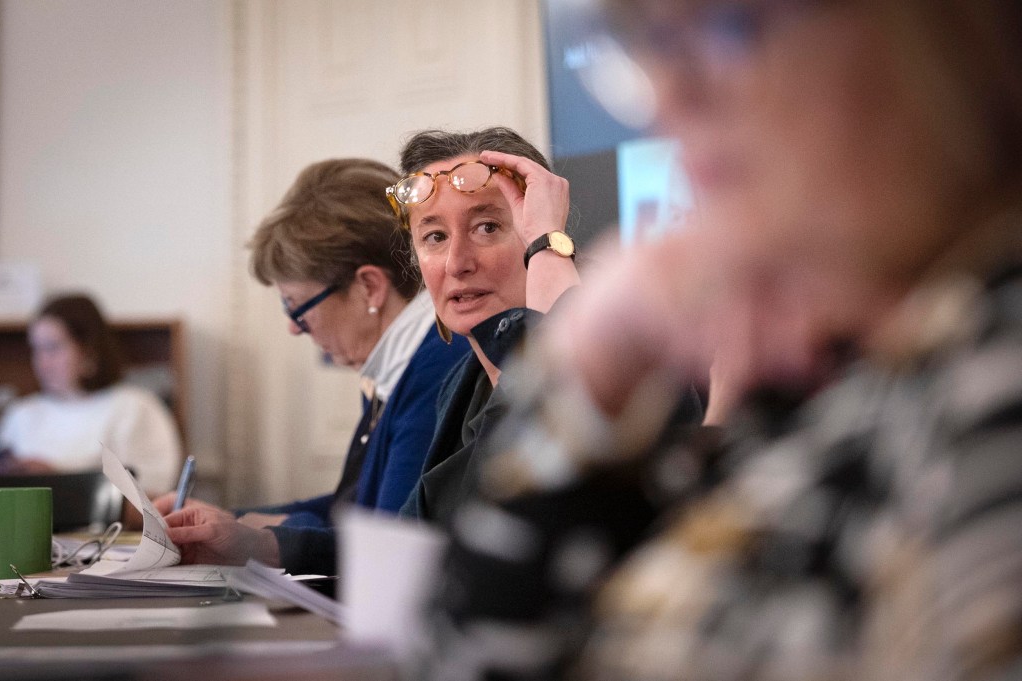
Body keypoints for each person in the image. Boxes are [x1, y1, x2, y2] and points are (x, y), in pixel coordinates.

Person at [416, 1, 1022, 679]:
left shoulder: (998, 376)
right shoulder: (852, 373)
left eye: (733, 24)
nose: (673, 94)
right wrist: (595, 357)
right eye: (653, 44)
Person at [160, 158, 469, 575]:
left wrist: (261, 542)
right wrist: (229, 521)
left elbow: (389, 545)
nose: (294, 328)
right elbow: (349, 509)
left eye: (298, 307)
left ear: (369, 286)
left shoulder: (436, 368)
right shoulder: (400, 364)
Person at [389, 126, 702, 528]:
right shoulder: (458, 385)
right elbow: (418, 535)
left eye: (487, 227)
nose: (456, 263)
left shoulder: (635, 363)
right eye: (434, 236)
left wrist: (546, 244)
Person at [0, 294, 181, 496]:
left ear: (88, 350)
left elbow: (152, 494)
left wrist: (56, 480)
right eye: (36, 349)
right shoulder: (21, 413)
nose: (42, 362)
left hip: (110, 527)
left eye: (53, 348)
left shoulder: (134, 407)